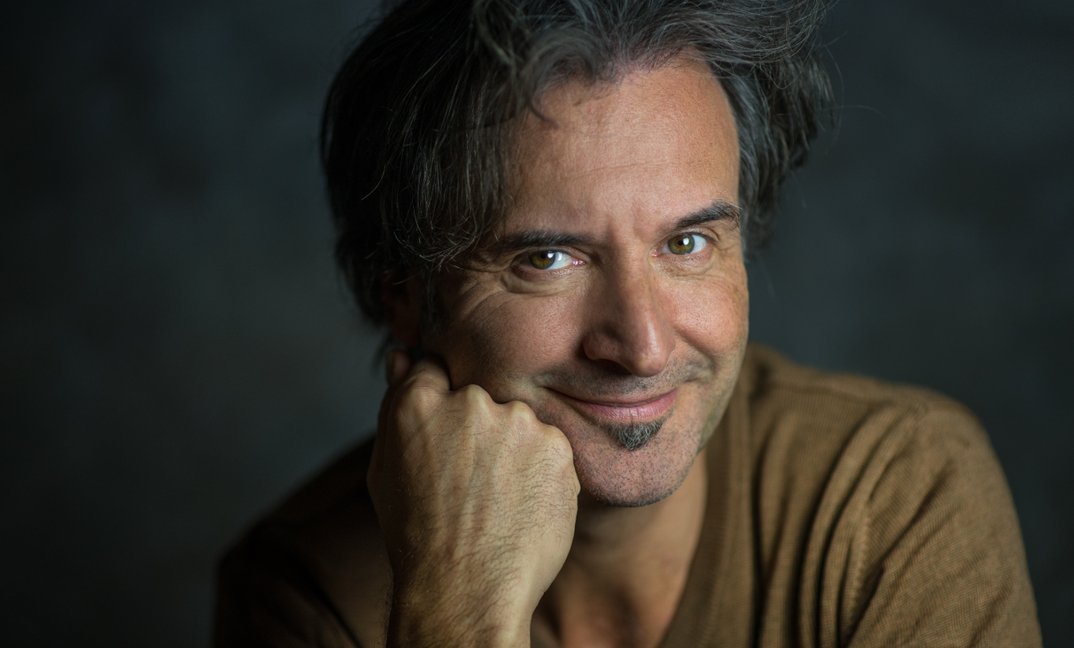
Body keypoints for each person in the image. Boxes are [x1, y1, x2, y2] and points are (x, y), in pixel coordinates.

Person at [214, 0, 1041, 645]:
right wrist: (457, 613)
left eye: (687, 243)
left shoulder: (890, 495)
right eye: (548, 259)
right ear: (404, 292)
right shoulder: (306, 588)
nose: (642, 346)